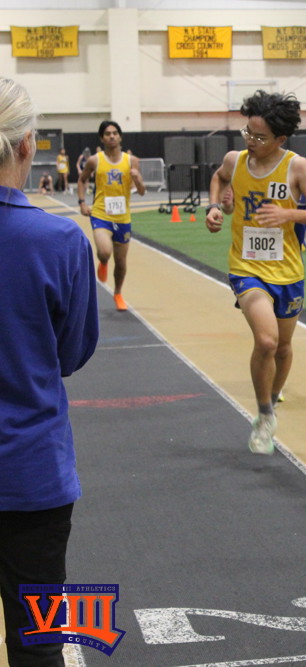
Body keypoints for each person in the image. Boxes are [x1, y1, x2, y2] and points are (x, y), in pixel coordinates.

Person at [0, 77, 100, 667]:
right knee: (39, 645)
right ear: (27, 145)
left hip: (33, 477)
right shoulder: (60, 241)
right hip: (31, 475)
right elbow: (71, 354)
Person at [205, 90, 306, 454]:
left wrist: (288, 213)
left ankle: (272, 400)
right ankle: (263, 415)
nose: (251, 141)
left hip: (287, 271)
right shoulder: (235, 160)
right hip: (246, 268)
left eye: (260, 137)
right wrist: (215, 208)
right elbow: (219, 178)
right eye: (247, 132)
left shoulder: (297, 167)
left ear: (280, 139)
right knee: (266, 341)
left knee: (283, 348)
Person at [77, 120, 146, 312]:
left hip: (123, 217)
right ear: (102, 138)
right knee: (105, 251)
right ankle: (103, 261)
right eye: (107, 134)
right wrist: (82, 203)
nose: (112, 136)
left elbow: (141, 191)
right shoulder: (95, 160)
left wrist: (137, 179)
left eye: (115, 133)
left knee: (121, 262)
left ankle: (118, 293)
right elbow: (82, 180)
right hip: (101, 213)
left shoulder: (132, 161)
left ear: (120, 137)